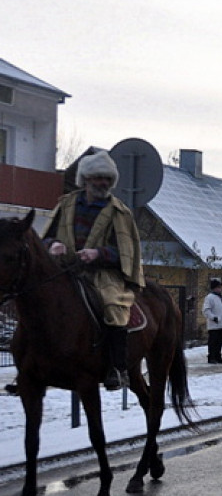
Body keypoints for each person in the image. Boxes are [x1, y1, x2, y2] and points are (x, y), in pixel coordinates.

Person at [42, 149, 144, 391]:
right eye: (98, 177)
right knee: (39, 300)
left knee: (113, 305)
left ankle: (117, 368)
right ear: (85, 179)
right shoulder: (66, 204)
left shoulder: (119, 211)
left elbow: (127, 251)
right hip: (64, 269)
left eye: (107, 178)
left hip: (103, 274)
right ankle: (32, 365)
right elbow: (45, 238)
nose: (103, 183)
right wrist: (52, 245)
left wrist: (98, 254)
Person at [202, 279, 222, 365]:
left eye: (220, 287)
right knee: (213, 341)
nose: (220, 289)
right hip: (214, 324)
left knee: (220, 342)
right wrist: (213, 317)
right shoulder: (210, 298)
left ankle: (218, 356)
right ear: (214, 288)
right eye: (218, 287)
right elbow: (206, 310)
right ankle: (211, 357)